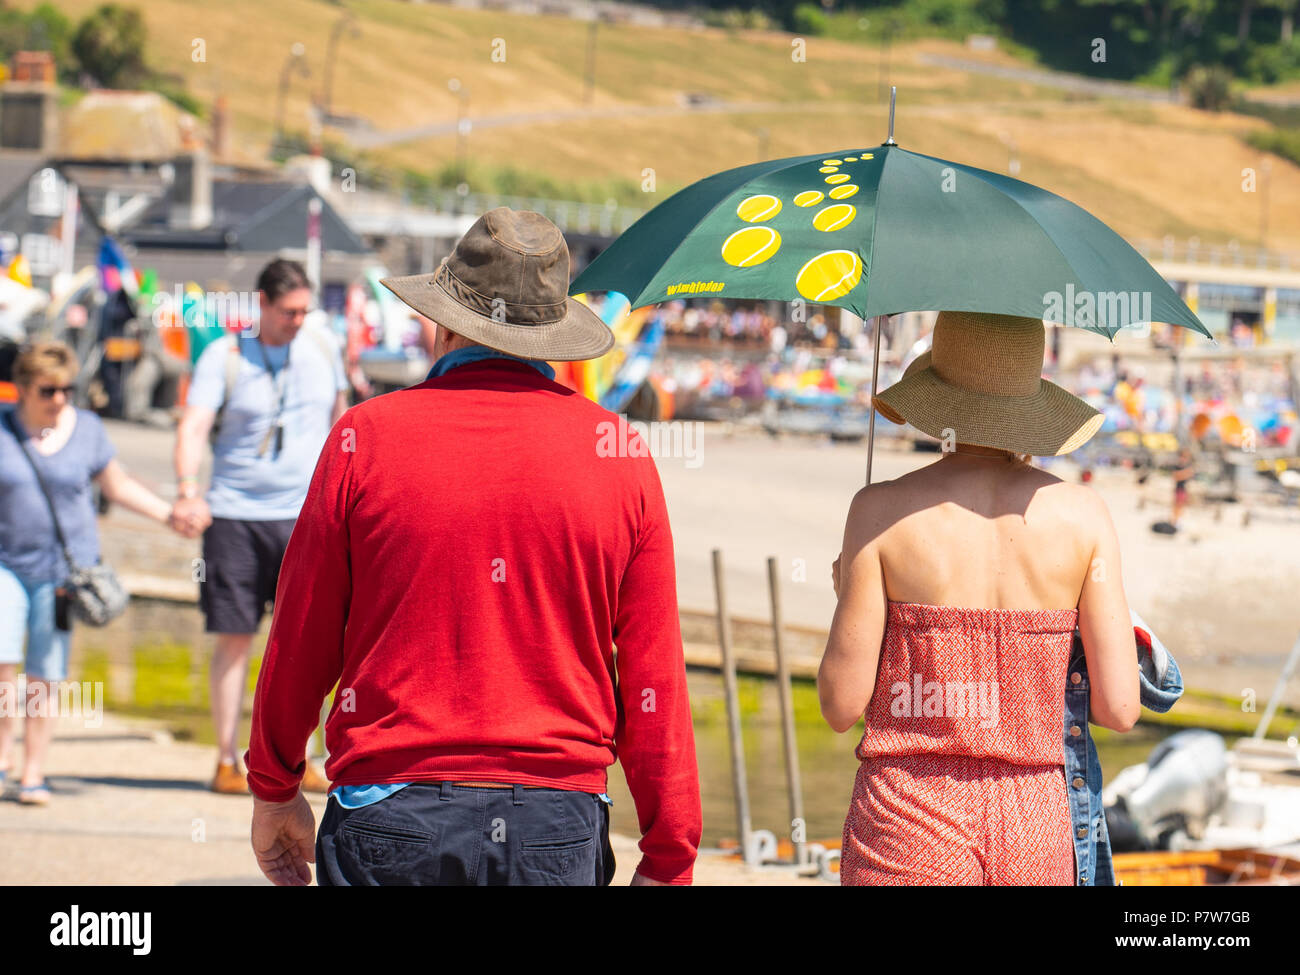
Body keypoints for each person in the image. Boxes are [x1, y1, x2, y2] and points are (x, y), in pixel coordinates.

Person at [244, 207, 701, 886]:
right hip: (556, 818)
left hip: (390, 806)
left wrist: (275, 783)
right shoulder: (621, 452)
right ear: (550, 333)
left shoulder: (364, 437)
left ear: (444, 321)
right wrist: (670, 853)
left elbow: (303, 632)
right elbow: (652, 672)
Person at [820, 311, 1140, 886]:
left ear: (937, 397)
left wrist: (849, 595)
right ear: (1033, 401)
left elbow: (842, 706)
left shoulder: (880, 511)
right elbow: (1119, 708)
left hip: (908, 812)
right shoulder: (1084, 516)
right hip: (1034, 819)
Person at [172, 260, 348, 795]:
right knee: (234, 638)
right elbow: (195, 425)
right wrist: (187, 488)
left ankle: (308, 756)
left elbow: (344, 423)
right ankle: (227, 758)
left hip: (303, 517)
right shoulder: (224, 357)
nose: (298, 321)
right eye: (288, 311)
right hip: (234, 516)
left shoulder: (321, 348)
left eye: (304, 311)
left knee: (311, 640)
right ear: (263, 305)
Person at [0, 340, 200, 804]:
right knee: (2, 665)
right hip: (6, 565)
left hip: (63, 576)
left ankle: (33, 772)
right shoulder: (4, 430)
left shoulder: (86, 430)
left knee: (45, 673)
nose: (59, 400)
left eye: (67, 389)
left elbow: (118, 485)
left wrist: (169, 516)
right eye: (48, 391)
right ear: (23, 390)